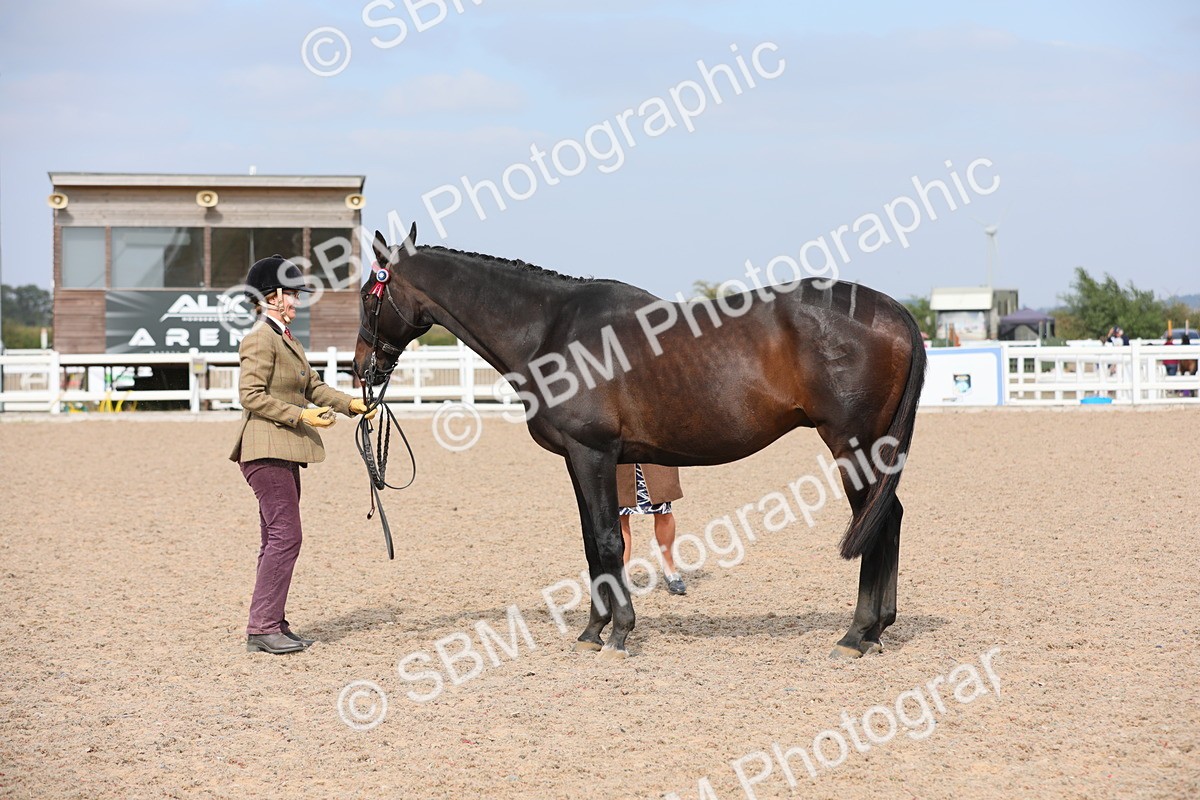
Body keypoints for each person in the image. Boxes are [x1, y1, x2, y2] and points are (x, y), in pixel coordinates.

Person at [229, 255, 376, 655]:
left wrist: (350, 405)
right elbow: (251, 395)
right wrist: (301, 415)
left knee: (274, 539)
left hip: (282, 451)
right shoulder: (260, 338)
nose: (296, 302)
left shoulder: (285, 338)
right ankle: (262, 626)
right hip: (265, 450)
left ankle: (270, 622)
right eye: (291, 295)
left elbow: (313, 385)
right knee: (286, 537)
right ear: (272, 297)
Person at [617, 463, 686, 595]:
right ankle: (623, 574)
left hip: (655, 450)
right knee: (621, 514)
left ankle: (670, 568)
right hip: (622, 451)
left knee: (663, 511)